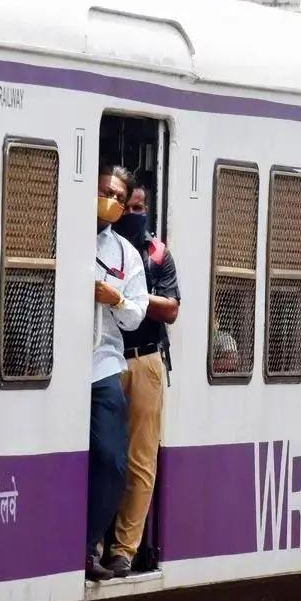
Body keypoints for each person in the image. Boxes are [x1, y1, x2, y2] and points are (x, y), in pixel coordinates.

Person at [104, 181, 180, 577]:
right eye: (126, 206)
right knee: (106, 455)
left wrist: (129, 292)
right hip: (106, 358)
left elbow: (171, 309)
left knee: (140, 462)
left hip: (146, 361)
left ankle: (124, 550)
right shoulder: (104, 248)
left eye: (139, 206)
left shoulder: (157, 254)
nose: (133, 213)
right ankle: (95, 543)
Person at [85, 166, 148, 581]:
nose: (110, 198)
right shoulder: (56, 227)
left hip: (101, 364)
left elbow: (137, 315)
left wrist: (115, 297)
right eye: (105, 189)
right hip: (47, 365)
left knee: (111, 461)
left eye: (118, 196)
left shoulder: (125, 253)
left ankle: (87, 544)